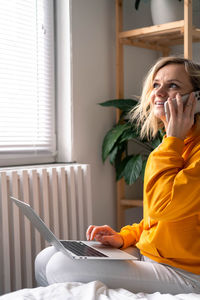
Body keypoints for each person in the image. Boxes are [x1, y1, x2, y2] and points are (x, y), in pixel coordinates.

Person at [35, 56, 200, 294]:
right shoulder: (175, 145)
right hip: (153, 255)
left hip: (187, 272)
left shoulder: (178, 147)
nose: (159, 92)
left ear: (195, 100)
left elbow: (163, 207)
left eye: (173, 85)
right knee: (47, 256)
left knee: (61, 265)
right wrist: (124, 237)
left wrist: (173, 139)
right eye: (155, 85)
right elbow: (159, 222)